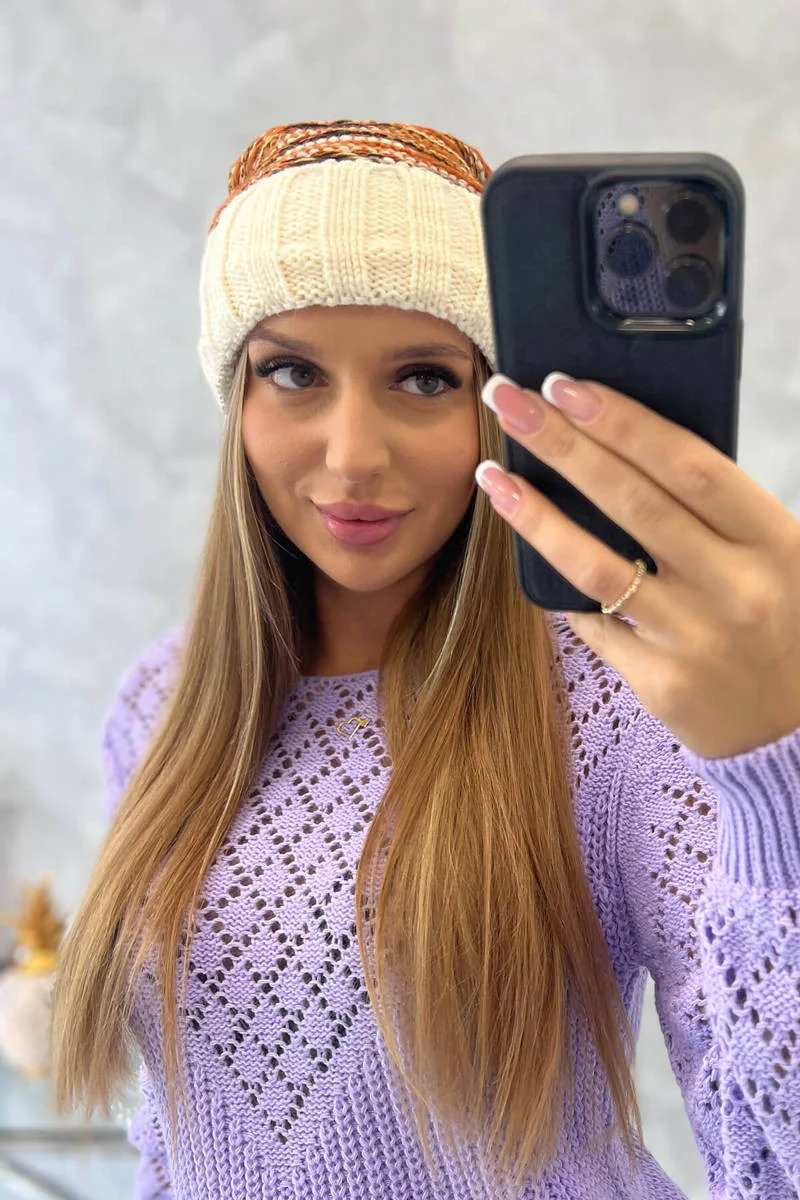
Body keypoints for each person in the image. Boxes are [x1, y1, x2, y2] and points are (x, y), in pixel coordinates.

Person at [51, 120, 800, 1199]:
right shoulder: (157, 704)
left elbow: (770, 1158)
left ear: (498, 407)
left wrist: (770, 773)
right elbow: (175, 1140)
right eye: (293, 372)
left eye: (423, 380)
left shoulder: (618, 705)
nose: (353, 455)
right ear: (235, 399)